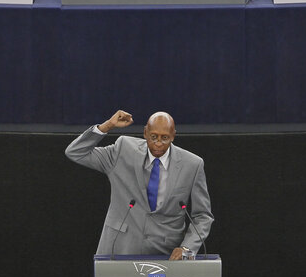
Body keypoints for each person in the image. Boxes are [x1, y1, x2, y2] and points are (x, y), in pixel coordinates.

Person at [65, 110, 213, 260]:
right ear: (145, 133)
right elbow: (76, 152)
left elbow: (203, 216)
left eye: (165, 138)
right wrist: (108, 126)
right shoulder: (123, 149)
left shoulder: (192, 165)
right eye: (153, 137)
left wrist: (187, 248)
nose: (158, 143)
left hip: (165, 254)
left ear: (173, 136)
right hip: (119, 248)